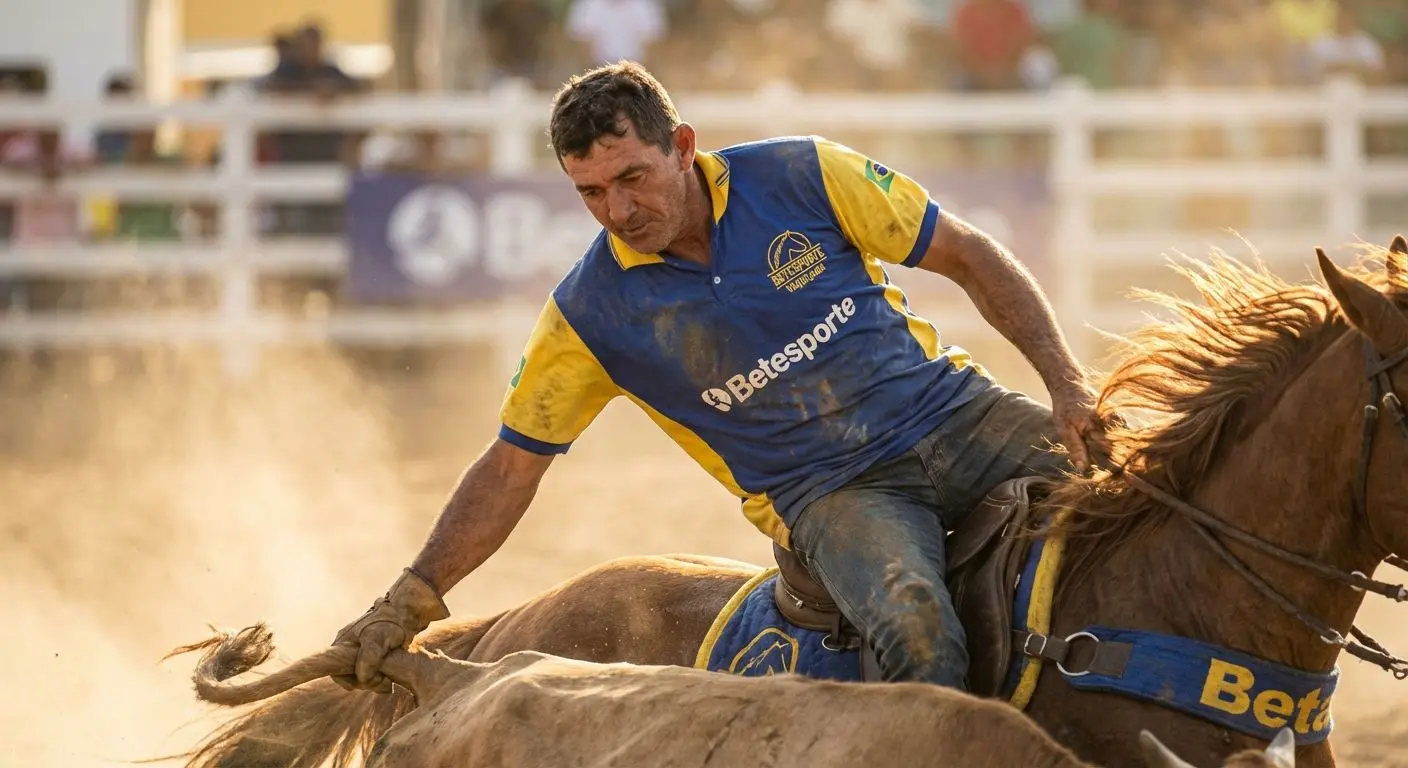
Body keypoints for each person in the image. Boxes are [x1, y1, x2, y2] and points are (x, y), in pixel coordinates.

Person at [329, 60, 1109, 694]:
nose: (618, 210)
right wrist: (410, 601)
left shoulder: (805, 174)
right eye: (591, 193)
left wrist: (1067, 384)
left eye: (633, 177)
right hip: (832, 491)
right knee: (916, 633)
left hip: (953, 413)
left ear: (683, 145)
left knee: (1147, 488)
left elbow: (968, 254)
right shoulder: (589, 314)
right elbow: (509, 468)